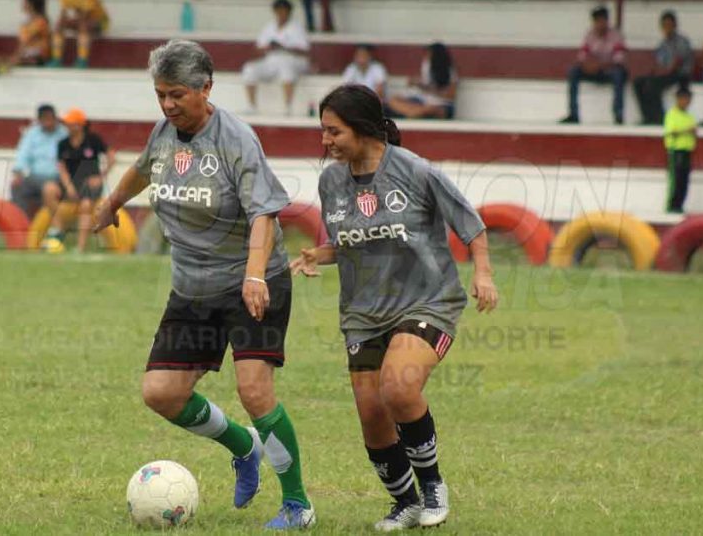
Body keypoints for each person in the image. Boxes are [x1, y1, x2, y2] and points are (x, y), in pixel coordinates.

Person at [92, 39, 316, 529]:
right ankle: (243, 446)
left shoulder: (236, 139)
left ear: (206, 88)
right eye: (160, 95)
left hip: (253, 281)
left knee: (254, 390)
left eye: (177, 94)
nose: (168, 105)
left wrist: (254, 274)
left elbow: (264, 213)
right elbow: (143, 169)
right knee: (161, 393)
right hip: (193, 288)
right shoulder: (164, 133)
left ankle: (298, 505)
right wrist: (111, 204)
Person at [290, 84, 498, 530]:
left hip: (428, 300)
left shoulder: (416, 171)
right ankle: (405, 503)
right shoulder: (331, 182)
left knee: (399, 388)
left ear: (363, 128)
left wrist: (483, 273)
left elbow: (471, 224)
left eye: (333, 131)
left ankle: (433, 487)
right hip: (363, 312)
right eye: (323, 131)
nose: (325, 141)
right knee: (371, 414)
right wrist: (320, 255)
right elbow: (354, 240)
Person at [50, 107, 115, 252]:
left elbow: (111, 157)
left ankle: (80, 246)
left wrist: (101, 177)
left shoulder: (93, 140)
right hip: (70, 181)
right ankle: (58, 230)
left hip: (90, 182)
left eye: (70, 123)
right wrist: (68, 186)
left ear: (79, 125)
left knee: (85, 205)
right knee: (48, 189)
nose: (66, 126)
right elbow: (62, 168)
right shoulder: (62, 143)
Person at [559, 6, 628, 125]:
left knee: (618, 74)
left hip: (609, 71)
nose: (600, 24)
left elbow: (619, 60)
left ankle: (618, 114)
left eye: (602, 20)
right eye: (597, 21)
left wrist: (600, 65)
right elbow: (581, 57)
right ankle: (573, 114)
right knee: (573, 71)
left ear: (607, 21)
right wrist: (589, 65)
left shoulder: (616, 36)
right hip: (592, 70)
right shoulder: (590, 35)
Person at [242, 0, 311, 116]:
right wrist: (268, 47)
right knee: (249, 68)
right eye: (279, 11)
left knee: (286, 66)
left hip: (293, 59)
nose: (281, 14)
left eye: (284, 11)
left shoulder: (296, 27)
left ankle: (288, 107)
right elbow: (259, 48)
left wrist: (284, 47)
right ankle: (251, 106)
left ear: (289, 12)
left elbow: (304, 50)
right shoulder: (269, 27)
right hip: (272, 59)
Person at [633, 11, 694, 125]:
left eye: (669, 25)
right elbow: (658, 62)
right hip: (666, 73)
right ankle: (647, 116)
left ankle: (659, 117)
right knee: (638, 82)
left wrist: (663, 72)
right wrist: (654, 71)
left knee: (652, 85)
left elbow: (678, 62)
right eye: (665, 25)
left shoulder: (682, 41)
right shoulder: (663, 44)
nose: (667, 28)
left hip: (679, 74)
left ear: (675, 25)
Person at [10, 104, 69, 218]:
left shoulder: (64, 133)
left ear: (55, 118)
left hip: (58, 177)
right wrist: (18, 173)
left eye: (50, 118)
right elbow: (23, 154)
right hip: (35, 178)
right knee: (16, 186)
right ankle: (22, 221)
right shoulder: (32, 133)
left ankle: (53, 223)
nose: (48, 122)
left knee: (50, 189)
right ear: (39, 120)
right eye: (45, 119)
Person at [385, 42, 457, 119]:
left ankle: (414, 112)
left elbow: (450, 97)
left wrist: (432, 90)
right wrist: (417, 83)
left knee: (438, 110)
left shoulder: (450, 72)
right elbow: (424, 85)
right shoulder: (427, 66)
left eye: (429, 54)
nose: (427, 57)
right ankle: (414, 113)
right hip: (423, 101)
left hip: (440, 104)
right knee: (393, 100)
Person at [0, 0, 52, 75]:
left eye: (25, 1)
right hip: (25, 56)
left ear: (31, 4)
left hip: (38, 59)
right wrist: (12, 58)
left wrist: (13, 59)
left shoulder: (41, 21)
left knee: (1, 63)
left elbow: (25, 43)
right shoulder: (27, 23)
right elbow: (22, 45)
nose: (22, 4)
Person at [50, 0, 109, 68]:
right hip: (81, 19)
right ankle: (56, 59)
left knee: (83, 26)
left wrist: (73, 21)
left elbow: (86, 16)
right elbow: (63, 14)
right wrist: (64, 22)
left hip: (100, 21)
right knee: (59, 26)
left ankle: (82, 60)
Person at [664, 87, 696, 214]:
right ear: (678, 99)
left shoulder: (689, 116)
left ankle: (679, 206)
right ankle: (672, 206)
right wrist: (688, 131)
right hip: (676, 151)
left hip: (687, 151)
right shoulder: (672, 114)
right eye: (685, 99)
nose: (687, 102)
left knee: (684, 181)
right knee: (676, 180)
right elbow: (671, 132)